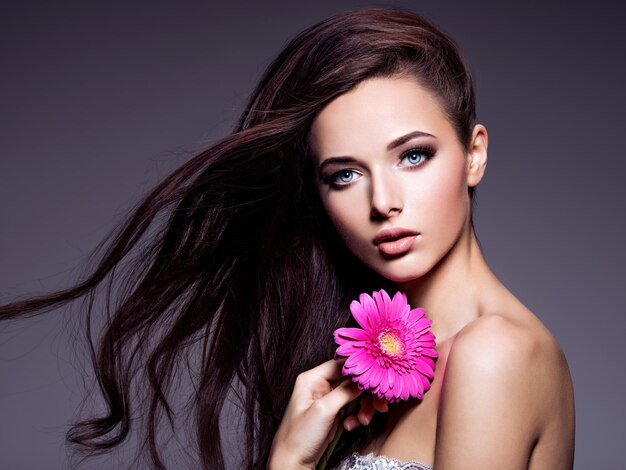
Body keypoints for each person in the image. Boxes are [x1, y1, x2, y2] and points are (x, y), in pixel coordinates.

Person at [0, 7, 575, 470]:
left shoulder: (493, 354)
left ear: (474, 154)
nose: (382, 202)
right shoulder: (368, 374)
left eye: (414, 156)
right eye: (344, 174)